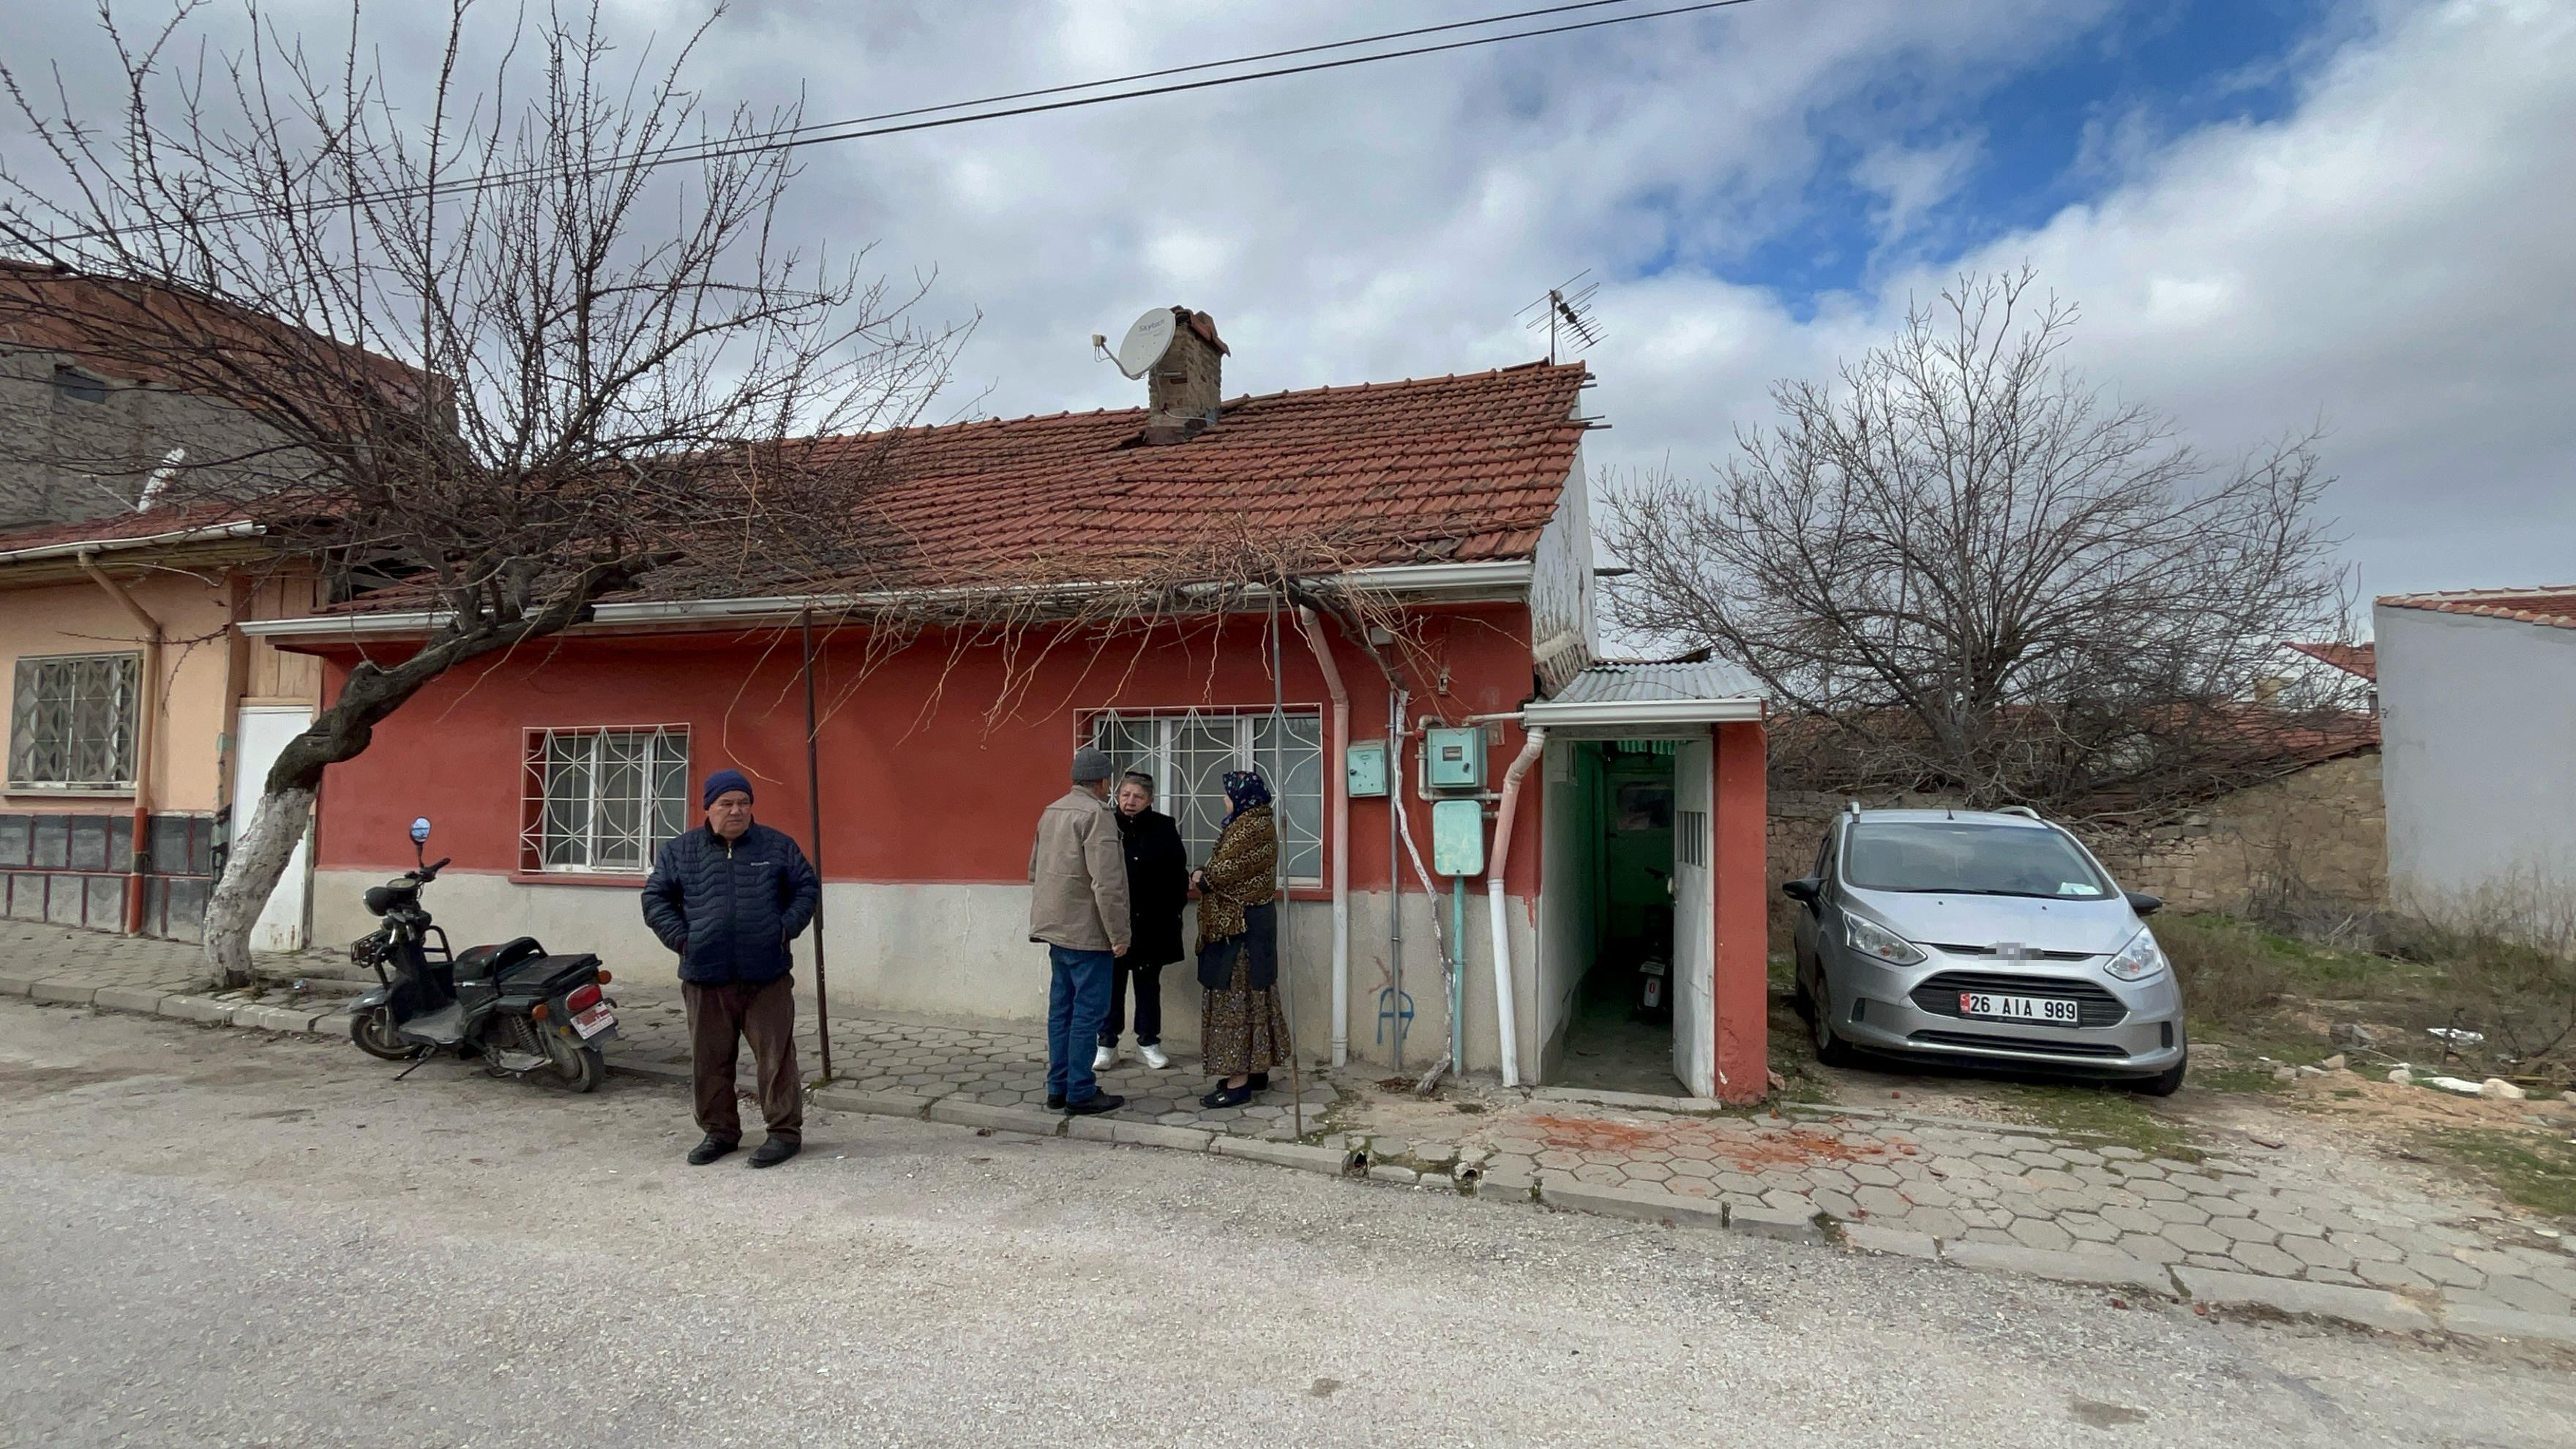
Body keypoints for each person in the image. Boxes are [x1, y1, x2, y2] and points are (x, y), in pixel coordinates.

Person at [641, 768, 820, 1169]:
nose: (736, 811)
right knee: (710, 1060)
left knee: (775, 1058)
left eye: (743, 803)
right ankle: (719, 1132)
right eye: (726, 804)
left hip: (766, 975)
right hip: (705, 976)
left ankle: (783, 1134)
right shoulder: (680, 851)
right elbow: (655, 899)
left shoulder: (777, 846)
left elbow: (806, 888)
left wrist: (784, 929)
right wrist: (683, 940)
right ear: (709, 808)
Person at [1028, 746, 1131, 1115]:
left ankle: (1058, 1087)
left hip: (1055, 928)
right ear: (1104, 781)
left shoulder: (1052, 811)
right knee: (1088, 1013)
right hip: (1089, 932)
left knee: (1061, 1011)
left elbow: (1034, 869)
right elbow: (1108, 883)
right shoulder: (1097, 815)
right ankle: (1080, 1090)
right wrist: (1119, 934)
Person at [1193, 770, 1290, 1109]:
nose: (1224, 798)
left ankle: (1237, 1084)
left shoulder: (1248, 827)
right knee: (1255, 998)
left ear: (1242, 797)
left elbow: (1219, 874)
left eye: (1227, 793)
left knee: (1234, 1001)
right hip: (1253, 927)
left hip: (1239, 930)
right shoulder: (1258, 822)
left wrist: (1200, 875)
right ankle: (1255, 1069)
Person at [1096, 771, 1188, 1072]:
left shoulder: (1163, 827)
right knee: (1112, 984)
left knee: (1148, 985)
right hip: (1114, 921)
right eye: (1125, 795)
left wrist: (1173, 908)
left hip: (1152, 921)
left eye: (1137, 796)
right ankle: (1107, 1044)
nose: (1130, 801)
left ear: (1149, 800)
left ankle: (1148, 1043)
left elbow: (1177, 873)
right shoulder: (1106, 823)